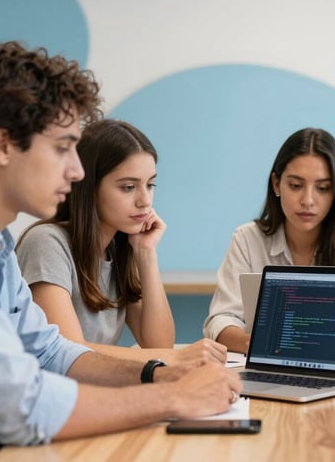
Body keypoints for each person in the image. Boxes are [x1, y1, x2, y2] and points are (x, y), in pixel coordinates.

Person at [0, 41, 241, 462]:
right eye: (62, 147)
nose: (77, 170)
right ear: (2, 145)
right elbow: (22, 405)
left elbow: (51, 351)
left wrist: (159, 374)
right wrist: (173, 398)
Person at [16, 119, 226, 366]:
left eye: (150, 185)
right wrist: (175, 357)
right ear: (89, 188)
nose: (145, 201)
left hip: (95, 394)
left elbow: (158, 345)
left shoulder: (118, 249)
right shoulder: (46, 243)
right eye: (128, 187)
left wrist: (146, 253)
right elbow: (67, 353)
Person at [203, 127, 335, 353]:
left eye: (323, 188)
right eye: (296, 186)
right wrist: (261, 345)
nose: (308, 200)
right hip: (268, 363)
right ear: (277, 184)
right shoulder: (247, 239)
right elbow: (221, 320)